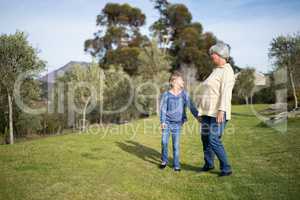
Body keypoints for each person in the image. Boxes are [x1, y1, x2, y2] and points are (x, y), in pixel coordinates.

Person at [198, 42, 235, 177]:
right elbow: (208, 93)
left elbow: (225, 92)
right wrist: (201, 112)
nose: (211, 56)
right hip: (207, 112)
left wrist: (222, 110)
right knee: (205, 139)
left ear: (220, 54)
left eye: (212, 54)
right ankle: (208, 164)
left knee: (213, 139)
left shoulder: (227, 70)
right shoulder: (216, 71)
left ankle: (226, 168)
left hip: (218, 113)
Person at [159, 71, 199, 172]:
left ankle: (176, 165)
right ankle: (164, 161)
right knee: (164, 142)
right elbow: (163, 109)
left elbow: (191, 106)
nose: (183, 82)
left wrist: (197, 116)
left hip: (177, 124)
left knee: (175, 145)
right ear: (174, 81)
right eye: (181, 80)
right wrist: (162, 121)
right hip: (167, 123)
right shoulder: (166, 95)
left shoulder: (184, 94)